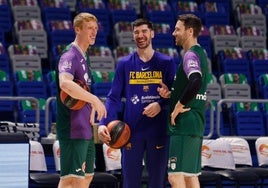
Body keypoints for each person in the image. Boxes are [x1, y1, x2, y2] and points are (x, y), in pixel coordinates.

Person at [98, 18, 176, 188]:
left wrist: (161, 104)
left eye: (144, 31)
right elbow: (113, 98)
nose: (140, 35)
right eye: (136, 32)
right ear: (133, 36)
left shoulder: (166, 63)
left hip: (158, 131)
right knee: (130, 183)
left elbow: (176, 96)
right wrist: (103, 123)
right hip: (131, 132)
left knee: (157, 183)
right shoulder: (124, 64)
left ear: (152, 34)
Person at [55, 12, 107, 188]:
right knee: (71, 179)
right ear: (77, 29)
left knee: (86, 177)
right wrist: (95, 100)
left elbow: (82, 90)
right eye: (89, 28)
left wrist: (91, 103)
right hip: (72, 128)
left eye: (95, 28)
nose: (94, 32)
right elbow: (65, 84)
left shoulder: (85, 56)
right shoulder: (70, 55)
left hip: (85, 127)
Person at [157, 14, 209, 188]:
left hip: (184, 125)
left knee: (175, 176)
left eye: (178, 29)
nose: (174, 33)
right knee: (190, 176)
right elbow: (194, 86)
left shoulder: (190, 56)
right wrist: (173, 94)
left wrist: (179, 105)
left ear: (190, 31)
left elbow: (196, 81)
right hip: (195, 123)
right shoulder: (202, 54)